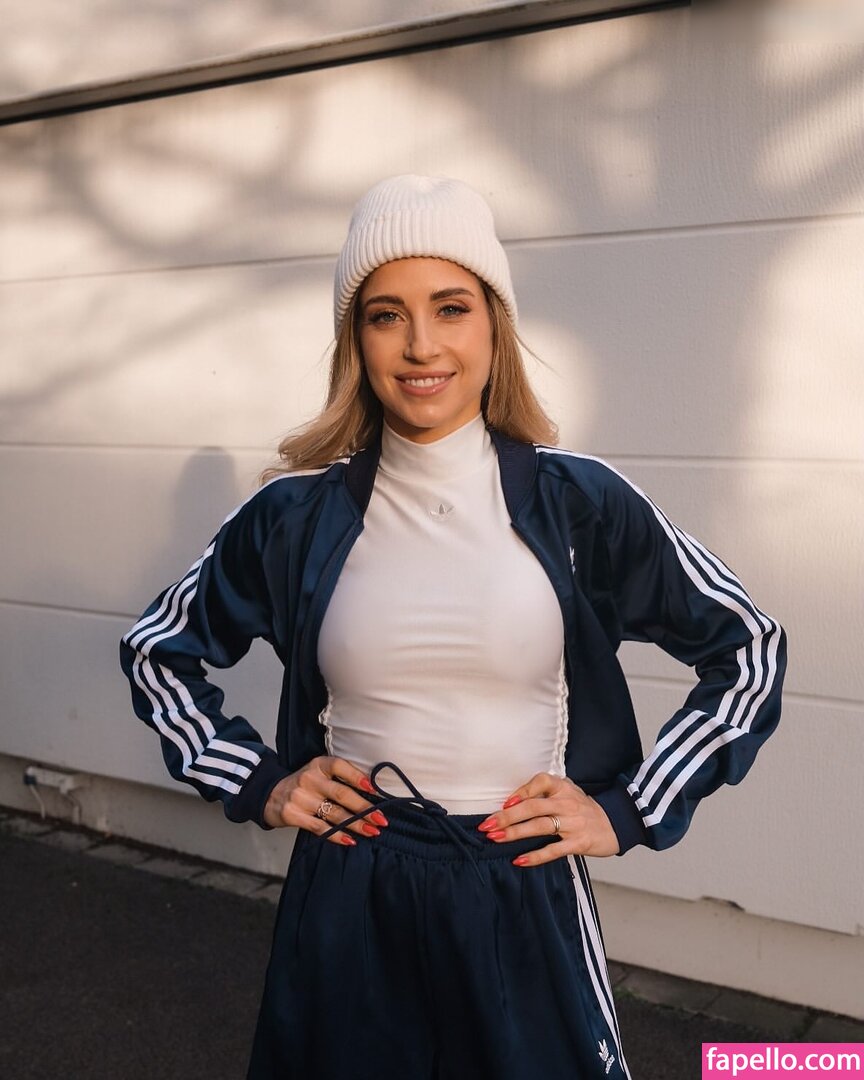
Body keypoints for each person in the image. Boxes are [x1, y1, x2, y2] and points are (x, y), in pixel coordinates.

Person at [120, 174, 786, 1079]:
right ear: (355, 340)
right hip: (350, 888)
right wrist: (262, 781)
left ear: (493, 326)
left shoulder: (576, 501)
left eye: (450, 307)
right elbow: (158, 653)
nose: (421, 344)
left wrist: (631, 808)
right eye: (385, 315)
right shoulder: (294, 516)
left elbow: (749, 647)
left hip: (522, 883)